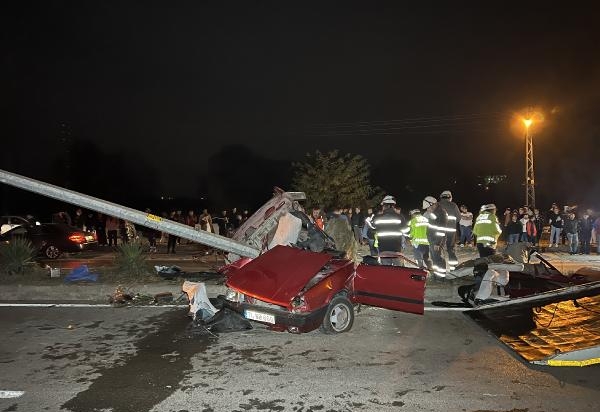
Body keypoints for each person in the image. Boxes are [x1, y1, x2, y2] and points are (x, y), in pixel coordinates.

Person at [373, 195, 407, 265]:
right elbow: (406, 230)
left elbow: (373, 229)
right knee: (398, 270)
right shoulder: (400, 217)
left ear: (384, 206)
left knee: (386, 271)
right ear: (393, 205)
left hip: (383, 249)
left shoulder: (378, 217)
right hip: (396, 249)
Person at [422, 195, 446, 277]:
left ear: (433, 204)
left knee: (437, 258)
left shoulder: (441, 213)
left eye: (428, 207)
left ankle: (441, 276)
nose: (427, 209)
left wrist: (437, 243)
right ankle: (437, 275)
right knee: (434, 258)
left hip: (436, 240)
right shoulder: (434, 212)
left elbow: (441, 230)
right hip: (432, 239)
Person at [437, 190, 461, 268]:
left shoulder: (437, 205)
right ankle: (453, 267)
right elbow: (458, 218)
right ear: (450, 197)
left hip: (440, 230)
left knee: (438, 248)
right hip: (451, 230)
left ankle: (439, 267)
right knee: (450, 248)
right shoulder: (453, 205)